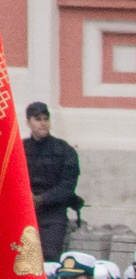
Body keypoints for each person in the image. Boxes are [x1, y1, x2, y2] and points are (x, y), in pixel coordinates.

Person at [24, 103, 80, 261]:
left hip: (53, 214)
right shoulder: (19, 149)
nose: (43, 123)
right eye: (37, 119)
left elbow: (67, 186)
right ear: (28, 122)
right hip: (24, 212)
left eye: (45, 119)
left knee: (50, 258)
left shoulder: (64, 150)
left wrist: (41, 199)